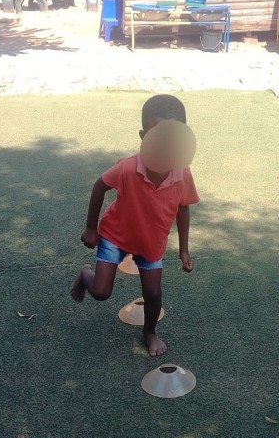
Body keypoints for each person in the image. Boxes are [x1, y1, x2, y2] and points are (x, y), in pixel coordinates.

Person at [70, 94, 199, 357]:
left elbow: (183, 208)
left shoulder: (182, 173)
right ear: (144, 136)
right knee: (101, 292)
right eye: (159, 135)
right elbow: (99, 186)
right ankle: (85, 274)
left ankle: (149, 332)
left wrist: (184, 250)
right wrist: (91, 228)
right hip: (116, 235)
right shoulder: (128, 168)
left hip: (151, 242)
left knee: (153, 294)